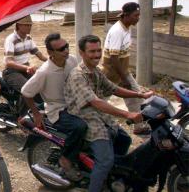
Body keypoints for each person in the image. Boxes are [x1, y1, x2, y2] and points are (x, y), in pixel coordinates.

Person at [65, 35, 154, 192]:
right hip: (86, 118)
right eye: (92, 51)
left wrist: (139, 94)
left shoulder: (96, 71)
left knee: (124, 139)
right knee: (105, 160)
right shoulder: (78, 75)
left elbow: (114, 88)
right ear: (82, 53)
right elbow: (95, 102)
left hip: (99, 114)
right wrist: (127, 114)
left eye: (99, 50)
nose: (97, 55)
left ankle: (112, 174)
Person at [21, 33, 85, 181]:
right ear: (50, 53)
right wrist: (37, 114)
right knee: (79, 127)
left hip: (76, 104)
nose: (66, 51)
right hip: (58, 110)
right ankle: (65, 159)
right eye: (61, 49)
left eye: (67, 46)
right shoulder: (44, 72)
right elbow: (26, 92)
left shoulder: (72, 60)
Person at [102, 2, 149, 135]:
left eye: (139, 15)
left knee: (135, 97)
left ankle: (139, 126)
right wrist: (124, 79)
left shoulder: (126, 28)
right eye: (135, 15)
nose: (138, 18)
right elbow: (113, 58)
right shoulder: (118, 31)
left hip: (123, 72)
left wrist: (125, 75)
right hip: (112, 74)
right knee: (102, 100)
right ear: (126, 16)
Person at [2, 15, 47, 103]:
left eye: (30, 25)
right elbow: (9, 62)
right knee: (27, 89)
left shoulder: (28, 38)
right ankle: (25, 114)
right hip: (12, 72)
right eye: (26, 25)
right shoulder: (11, 39)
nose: (29, 27)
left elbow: (40, 55)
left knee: (41, 85)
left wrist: (53, 60)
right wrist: (26, 68)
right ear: (18, 25)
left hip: (26, 69)